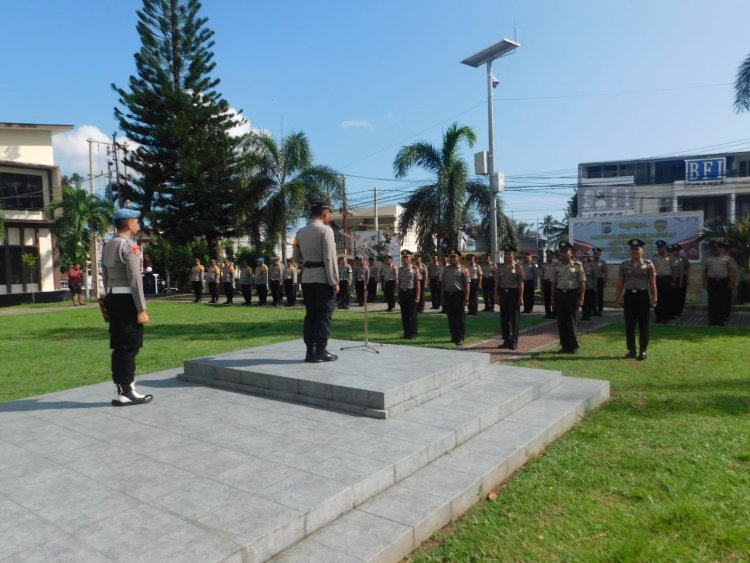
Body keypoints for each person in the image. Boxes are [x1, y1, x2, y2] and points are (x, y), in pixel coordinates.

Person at [101, 208, 153, 406]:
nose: (138, 225)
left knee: (119, 346)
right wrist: (141, 308)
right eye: (136, 222)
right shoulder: (130, 246)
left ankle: (121, 389)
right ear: (130, 224)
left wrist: (108, 297)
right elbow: (135, 280)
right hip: (127, 300)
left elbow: (105, 275)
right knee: (130, 346)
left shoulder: (108, 245)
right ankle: (128, 391)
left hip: (113, 297)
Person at [292, 201, 340, 362]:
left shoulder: (300, 232)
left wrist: (306, 267)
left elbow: (295, 257)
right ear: (325, 213)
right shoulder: (326, 231)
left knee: (310, 315)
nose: (329, 216)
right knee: (324, 316)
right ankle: (320, 351)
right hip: (323, 279)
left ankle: (309, 352)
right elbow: (329, 258)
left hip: (307, 279)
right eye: (329, 213)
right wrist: (334, 281)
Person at [615, 238, 657, 361]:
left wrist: (655, 298)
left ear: (642, 251)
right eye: (632, 249)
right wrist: (617, 297)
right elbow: (620, 283)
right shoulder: (624, 265)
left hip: (642, 297)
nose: (634, 251)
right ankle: (631, 350)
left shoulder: (649, 265)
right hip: (629, 297)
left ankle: (643, 350)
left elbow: (652, 283)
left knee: (643, 325)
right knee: (629, 325)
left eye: (637, 249)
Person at [551, 241, 585, 354]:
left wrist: (581, 298)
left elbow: (582, 283)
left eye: (566, 251)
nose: (563, 253)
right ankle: (564, 346)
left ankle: (574, 346)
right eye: (561, 251)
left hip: (572, 295)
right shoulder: (556, 266)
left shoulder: (577, 265)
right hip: (560, 294)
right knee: (561, 321)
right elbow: (554, 283)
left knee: (571, 321)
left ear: (571, 253)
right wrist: (553, 298)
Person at [494, 244, 524, 350]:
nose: (507, 256)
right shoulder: (500, 267)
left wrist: (520, 297)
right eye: (505, 254)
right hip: (503, 293)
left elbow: (521, 283)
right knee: (504, 319)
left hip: (514, 293)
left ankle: (514, 341)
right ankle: (506, 340)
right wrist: (496, 295)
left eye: (509, 254)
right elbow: (497, 282)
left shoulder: (518, 267)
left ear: (514, 254)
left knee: (514, 319)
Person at [702, 240, 739, 326]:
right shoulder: (708, 259)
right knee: (712, 301)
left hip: (723, 281)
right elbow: (704, 272)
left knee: (722, 301)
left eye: (718, 249)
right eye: (715, 249)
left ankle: (720, 320)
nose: (716, 250)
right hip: (712, 281)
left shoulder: (728, 259)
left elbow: (732, 271)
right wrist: (704, 282)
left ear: (723, 250)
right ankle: (712, 320)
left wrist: (732, 282)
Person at [441, 249, 469, 345]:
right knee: (451, 318)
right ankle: (454, 336)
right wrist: (442, 297)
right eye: (451, 257)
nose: (452, 259)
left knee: (460, 318)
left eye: (454, 257)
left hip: (458, 295)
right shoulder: (446, 269)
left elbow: (466, 285)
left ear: (459, 258)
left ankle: (461, 337)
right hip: (448, 295)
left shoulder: (463, 270)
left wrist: (466, 297)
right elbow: (443, 285)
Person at [397, 249, 420, 340]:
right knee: (404, 314)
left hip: (411, 293)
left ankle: (413, 333)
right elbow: (399, 284)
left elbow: (417, 284)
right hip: (403, 293)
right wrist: (398, 296)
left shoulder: (415, 269)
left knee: (413, 314)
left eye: (407, 257)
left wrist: (417, 296)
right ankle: (406, 333)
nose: (405, 259)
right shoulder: (400, 269)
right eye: (403, 257)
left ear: (411, 258)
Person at [651, 240, 676, 323]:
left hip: (667, 279)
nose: (660, 249)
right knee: (657, 298)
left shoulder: (670, 257)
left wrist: (673, 281)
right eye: (658, 248)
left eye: (661, 247)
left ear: (664, 247)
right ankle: (658, 317)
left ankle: (666, 317)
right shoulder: (654, 257)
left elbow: (674, 269)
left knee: (667, 299)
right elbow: (651, 270)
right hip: (657, 279)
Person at [670, 243, 690, 317]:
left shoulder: (683, 258)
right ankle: (672, 311)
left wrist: (688, 279)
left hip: (682, 279)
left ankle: (679, 311)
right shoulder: (669, 258)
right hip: (673, 279)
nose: (676, 252)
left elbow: (688, 269)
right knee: (673, 296)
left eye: (677, 250)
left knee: (681, 296)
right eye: (674, 250)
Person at [591, 247, 608, 316]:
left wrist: (605, 282)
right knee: (592, 295)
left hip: (599, 280)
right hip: (592, 280)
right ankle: (593, 310)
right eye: (594, 253)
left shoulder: (602, 262)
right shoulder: (590, 262)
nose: (595, 255)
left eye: (597, 253)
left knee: (600, 295)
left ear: (599, 254)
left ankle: (600, 310)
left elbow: (606, 273)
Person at [541, 250, 557, 319]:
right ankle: (548, 313)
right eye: (547, 256)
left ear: (552, 257)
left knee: (553, 297)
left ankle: (554, 313)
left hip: (553, 283)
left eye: (550, 256)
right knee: (546, 299)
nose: (548, 258)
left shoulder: (556, 264)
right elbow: (542, 275)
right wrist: (542, 285)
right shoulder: (544, 265)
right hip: (546, 282)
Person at [580, 253, 596, 321]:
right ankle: (584, 315)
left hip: (589, 286)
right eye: (583, 257)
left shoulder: (591, 266)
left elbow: (594, 277)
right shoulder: (579, 266)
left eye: (585, 257)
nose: (584, 258)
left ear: (588, 258)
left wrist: (594, 287)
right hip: (581, 287)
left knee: (588, 302)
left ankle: (588, 315)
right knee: (583, 301)